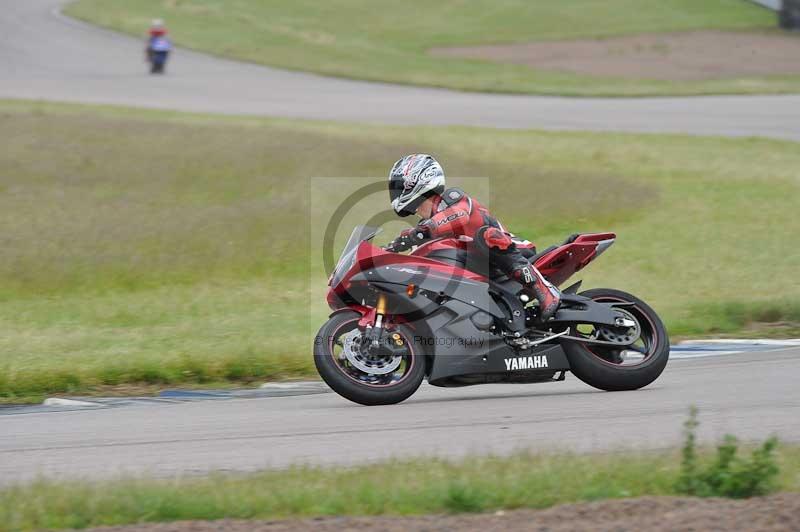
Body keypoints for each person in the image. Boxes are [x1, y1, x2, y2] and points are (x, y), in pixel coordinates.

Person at [386, 154, 561, 322]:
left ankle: (544, 290)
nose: (395, 191)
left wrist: (418, 233)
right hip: (480, 266)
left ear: (417, 180)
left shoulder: (451, 200)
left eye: (398, 185)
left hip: (513, 252)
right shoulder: (425, 226)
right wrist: (389, 251)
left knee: (485, 236)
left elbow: (458, 216)